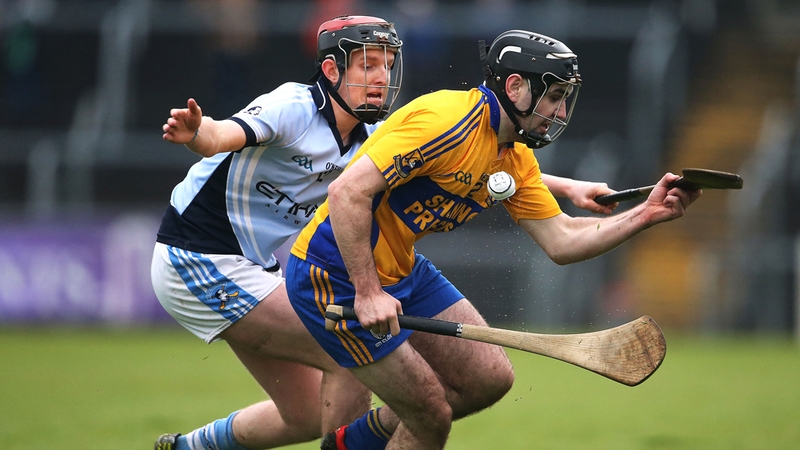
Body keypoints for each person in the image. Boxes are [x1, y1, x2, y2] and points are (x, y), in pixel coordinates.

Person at [152, 16, 616, 450]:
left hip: (254, 263)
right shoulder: (293, 106)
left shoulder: (364, 132)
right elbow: (218, 136)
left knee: (302, 413)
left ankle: (189, 447)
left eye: (388, 65)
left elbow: (476, 160)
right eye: (367, 65)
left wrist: (569, 186)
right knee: (345, 351)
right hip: (197, 256)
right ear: (332, 69)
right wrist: (196, 133)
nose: (381, 76)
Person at [286, 29, 701, 450]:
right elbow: (347, 192)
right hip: (334, 272)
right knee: (430, 414)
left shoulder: (515, 157)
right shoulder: (446, 121)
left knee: (488, 380)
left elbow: (562, 238)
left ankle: (345, 445)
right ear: (516, 86)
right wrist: (368, 292)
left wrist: (648, 214)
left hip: (401, 270)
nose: (558, 112)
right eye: (553, 96)